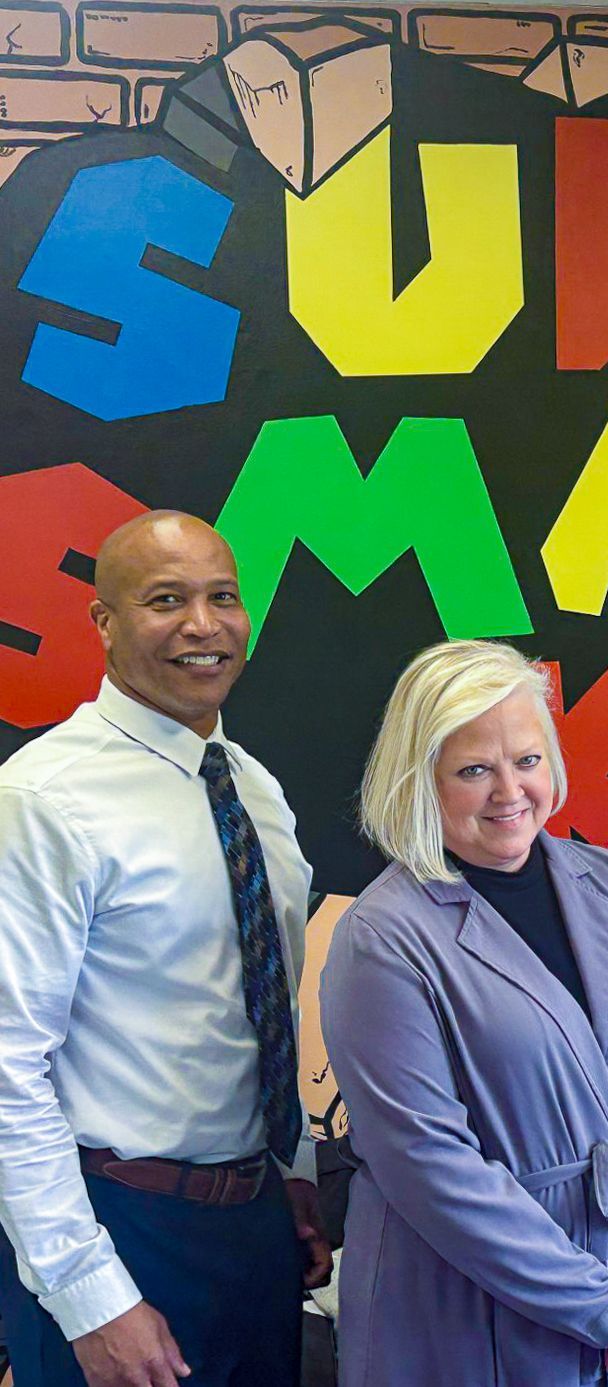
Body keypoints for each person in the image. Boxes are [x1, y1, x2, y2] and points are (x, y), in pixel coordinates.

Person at [319, 639, 608, 1385]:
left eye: (527, 760)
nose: (510, 791)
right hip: (467, 1321)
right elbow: (427, 1163)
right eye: (474, 770)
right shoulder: (381, 939)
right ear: (420, 780)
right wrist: (607, 1306)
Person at [0, 511, 327, 1387]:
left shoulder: (255, 790)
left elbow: (265, 1004)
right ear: (104, 623)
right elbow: (6, 1066)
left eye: (223, 597)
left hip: (257, 1229)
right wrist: (90, 1296)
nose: (202, 624)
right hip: (117, 1227)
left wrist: (291, 1170)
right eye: (166, 600)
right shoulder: (44, 799)